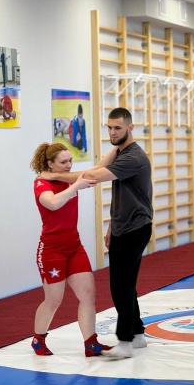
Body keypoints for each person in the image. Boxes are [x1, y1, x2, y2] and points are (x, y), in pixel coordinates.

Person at [40, 107, 153, 359]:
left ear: (130, 128)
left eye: (117, 128)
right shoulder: (121, 151)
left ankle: (125, 342)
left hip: (135, 228)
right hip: (124, 226)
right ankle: (136, 334)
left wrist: (54, 175)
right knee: (126, 283)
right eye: (109, 128)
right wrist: (112, 226)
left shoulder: (133, 157)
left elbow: (93, 175)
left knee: (120, 286)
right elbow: (122, 195)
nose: (112, 132)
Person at [30, 142, 111, 357]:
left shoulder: (69, 178)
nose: (69, 165)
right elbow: (52, 203)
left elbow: (97, 169)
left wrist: (119, 144)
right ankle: (38, 339)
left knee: (88, 295)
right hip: (52, 249)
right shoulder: (41, 183)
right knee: (53, 300)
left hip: (74, 245)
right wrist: (75, 186)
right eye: (63, 162)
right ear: (50, 164)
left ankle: (90, 343)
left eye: (70, 161)